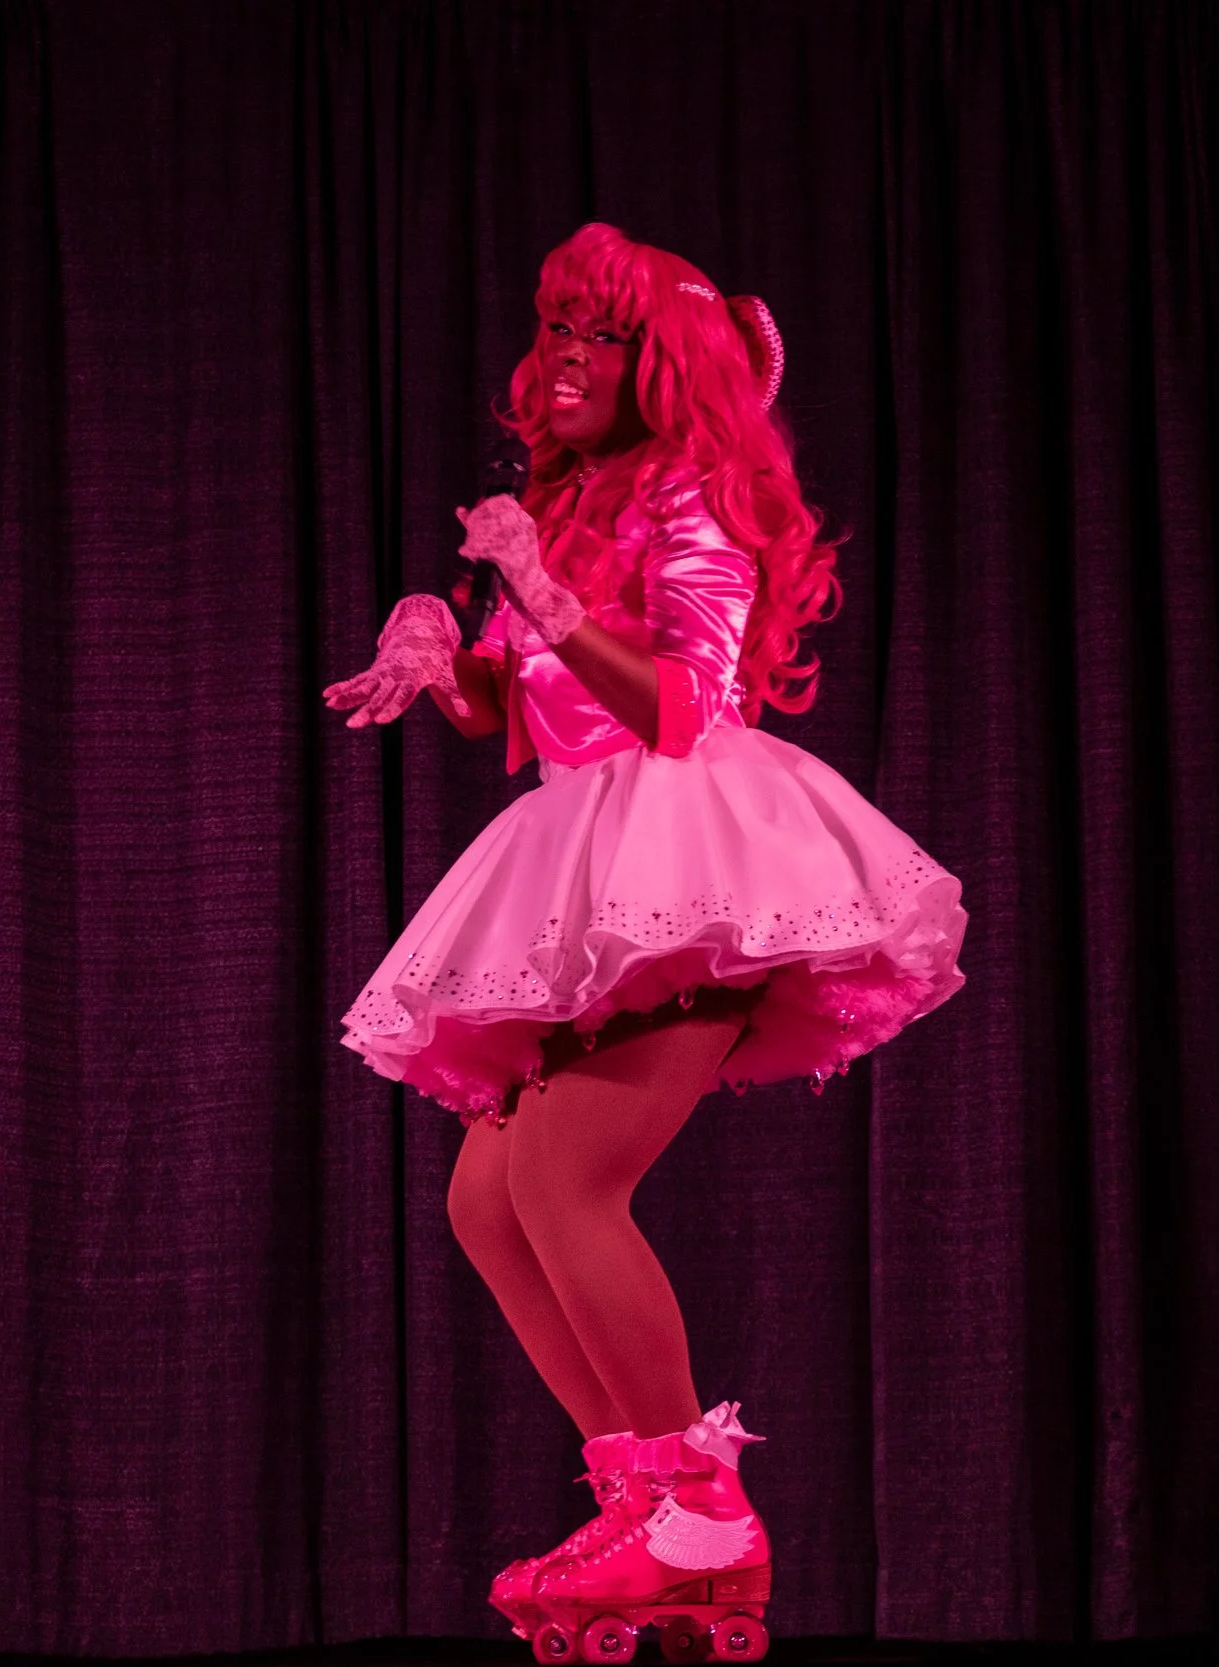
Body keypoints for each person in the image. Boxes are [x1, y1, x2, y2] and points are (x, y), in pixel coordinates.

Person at [324, 223, 966, 1661]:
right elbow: (510, 707)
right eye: (553, 326)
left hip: (688, 856)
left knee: (560, 1179)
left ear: (660, 366)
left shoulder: (688, 489)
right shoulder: (563, 497)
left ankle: (699, 1503)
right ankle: (645, 1503)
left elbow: (684, 700)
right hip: (577, 855)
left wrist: (542, 593)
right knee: (487, 1198)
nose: (561, 357)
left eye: (596, 336)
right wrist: (444, 641)